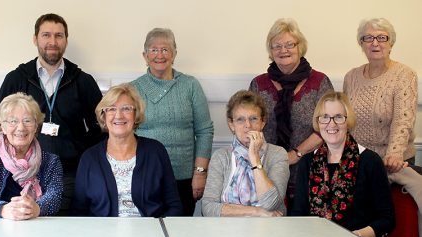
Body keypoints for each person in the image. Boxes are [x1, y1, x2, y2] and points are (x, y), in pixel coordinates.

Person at [0, 13, 103, 215]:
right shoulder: (17, 78)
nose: (52, 42)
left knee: (62, 229)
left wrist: (78, 151)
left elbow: (101, 127)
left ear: (66, 40)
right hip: (21, 175)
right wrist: (16, 161)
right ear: (35, 39)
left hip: (69, 174)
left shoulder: (82, 81)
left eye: (59, 36)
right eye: (46, 35)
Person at [343, 17, 422, 237]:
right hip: (359, 161)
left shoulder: (404, 75)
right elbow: (346, 121)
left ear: (391, 43)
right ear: (361, 43)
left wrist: (394, 154)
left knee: (388, 221)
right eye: (368, 38)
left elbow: (403, 119)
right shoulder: (351, 76)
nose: (375, 43)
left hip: (393, 162)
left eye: (381, 38)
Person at [249, 18, 333, 207]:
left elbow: (329, 125)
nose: (283, 50)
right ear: (270, 51)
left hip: (310, 169)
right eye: (277, 45)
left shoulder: (320, 82)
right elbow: (250, 125)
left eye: (289, 44)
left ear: (300, 47)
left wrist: (296, 154)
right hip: (267, 170)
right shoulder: (258, 84)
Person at [290, 92, 395, 237]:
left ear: (348, 121)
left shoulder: (370, 161)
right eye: (325, 117)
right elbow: (298, 215)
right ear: (318, 122)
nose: (331, 124)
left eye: (338, 117)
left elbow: (387, 219)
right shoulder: (307, 162)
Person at [131, 28, 214, 216]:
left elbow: (204, 131)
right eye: (153, 50)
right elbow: (126, 133)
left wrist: (200, 173)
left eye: (165, 49)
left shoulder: (190, 85)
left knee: (181, 233)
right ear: (145, 56)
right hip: (145, 176)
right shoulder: (133, 88)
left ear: (174, 54)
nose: (159, 55)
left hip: (184, 178)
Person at [70, 84, 182, 217]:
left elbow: (174, 205)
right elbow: (78, 211)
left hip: (149, 233)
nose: (118, 115)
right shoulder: (89, 158)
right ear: (103, 117)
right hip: (103, 233)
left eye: (126, 109)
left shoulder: (156, 151)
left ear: (136, 115)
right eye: (111, 109)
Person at [0, 93, 63, 231]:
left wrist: (37, 207)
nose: (21, 128)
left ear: (36, 126)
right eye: (12, 121)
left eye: (27, 120)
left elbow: (55, 196)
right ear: (2, 127)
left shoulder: (51, 161)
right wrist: (3, 209)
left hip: (37, 229)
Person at [202, 90, 289, 217]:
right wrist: (256, 211)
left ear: (263, 122)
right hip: (227, 230)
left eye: (253, 118)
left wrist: (254, 157)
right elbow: (208, 208)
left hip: (269, 230)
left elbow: (270, 203)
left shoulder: (278, 154)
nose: (248, 125)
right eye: (240, 120)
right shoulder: (221, 157)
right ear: (231, 124)